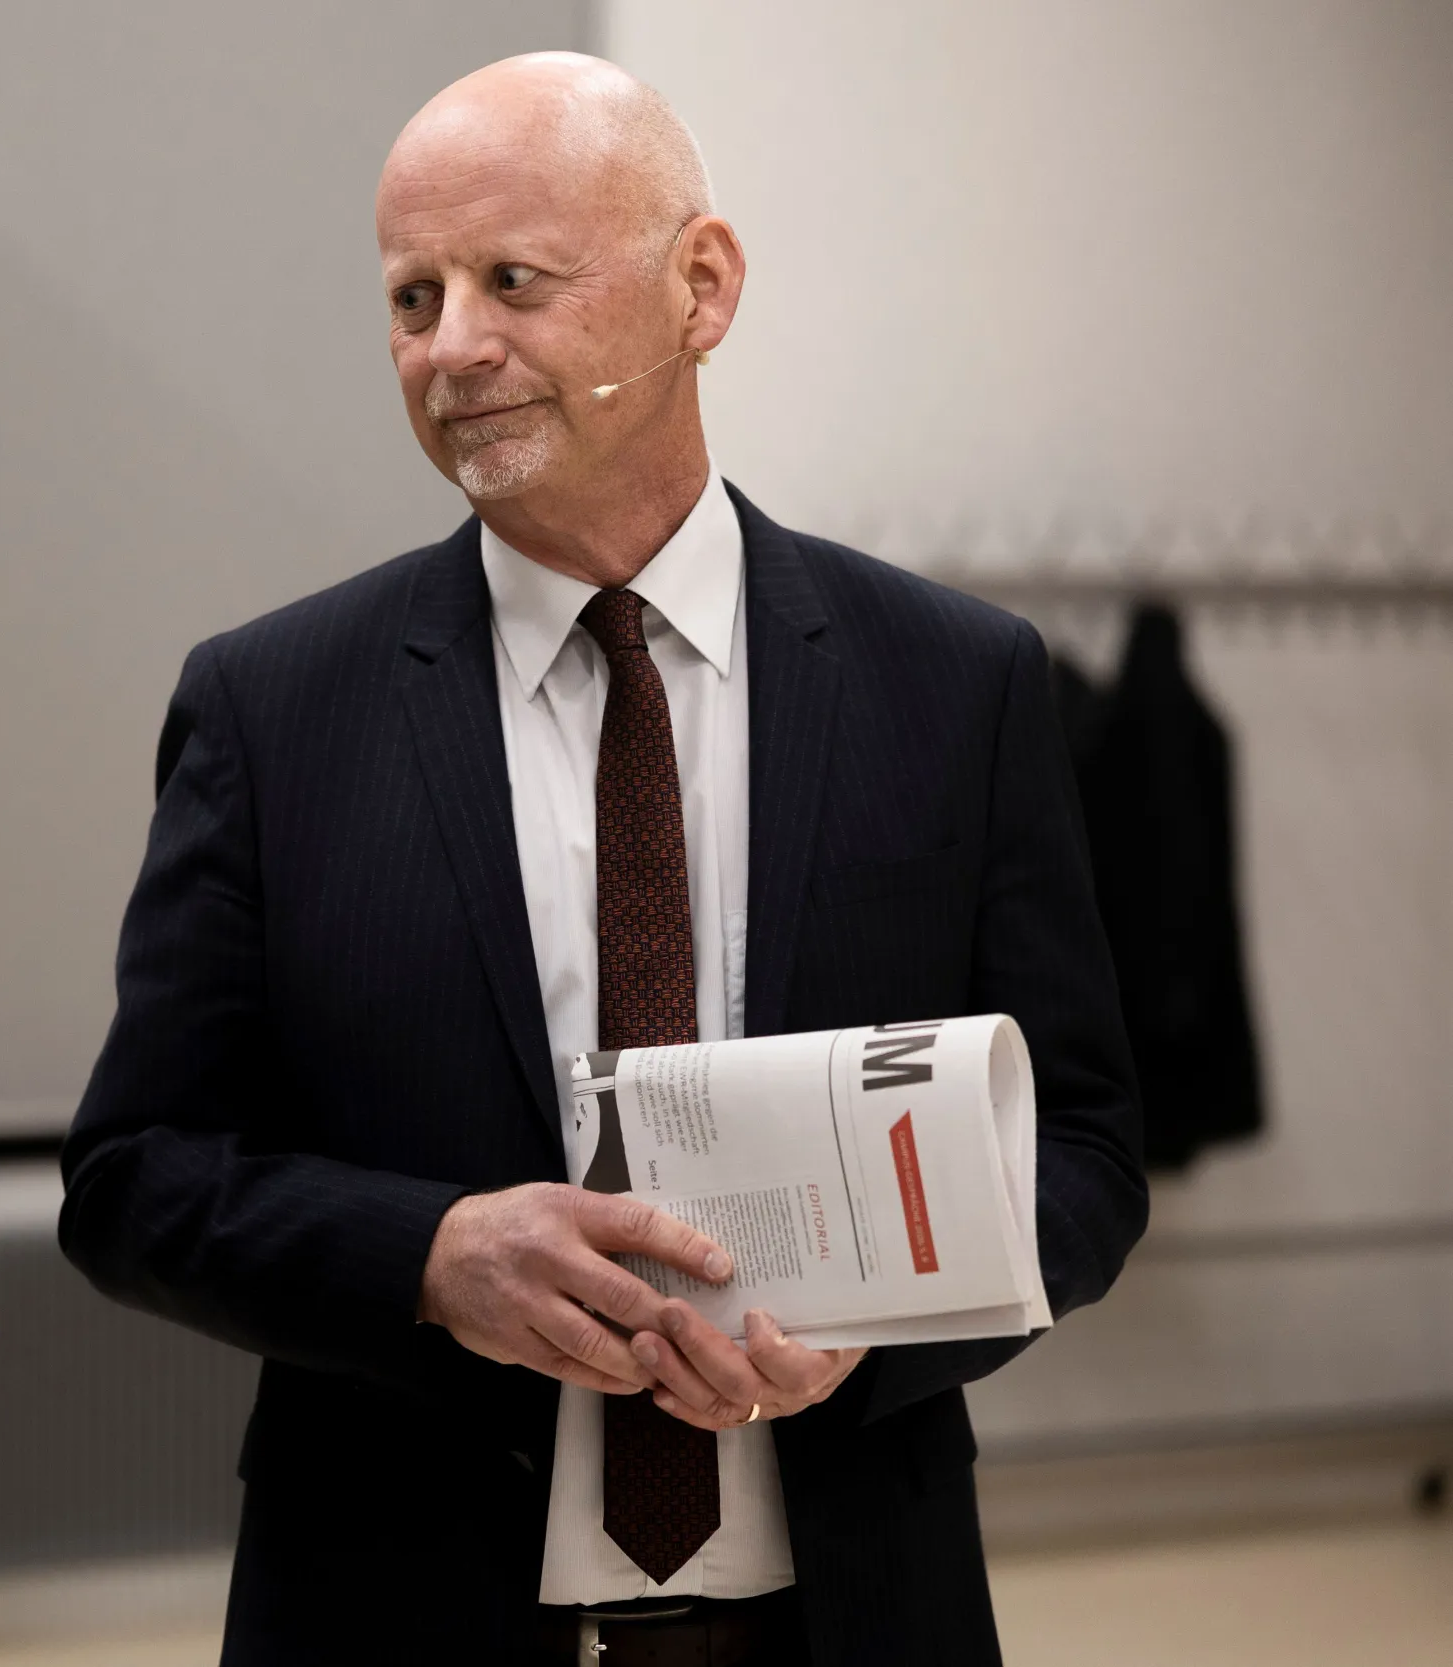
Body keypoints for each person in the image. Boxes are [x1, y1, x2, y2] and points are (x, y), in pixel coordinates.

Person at [60, 52, 1146, 1667]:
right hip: (398, 1612)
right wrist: (429, 1259)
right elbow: (135, 1176)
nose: (452, 347)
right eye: (414, 297)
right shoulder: (273, 707)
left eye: (513, 281)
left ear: (701, 286)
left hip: (848, 1611)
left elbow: (1088, 1152)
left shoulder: (953, 682)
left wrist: (876, 1332)